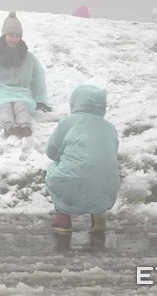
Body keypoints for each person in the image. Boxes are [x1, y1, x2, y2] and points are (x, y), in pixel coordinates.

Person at [45, 84, 121, 232]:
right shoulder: (110, 127)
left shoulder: (69, 122)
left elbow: (52, 151)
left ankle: (63, 219)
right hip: (106, 186)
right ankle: (98, 215)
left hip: (73, 181)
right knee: (98, 173)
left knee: (55, 171)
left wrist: (61, 157)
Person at [0, 11, 52, 138]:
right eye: (11, 35)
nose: (14, 39)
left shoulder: (27, 56)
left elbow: (37, 78)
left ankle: (25, 126)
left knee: (21, 106)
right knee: (3, 106)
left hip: (19, 92)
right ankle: (10, 127)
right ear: (4, 35)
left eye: (17, 36)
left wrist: (40, 99)